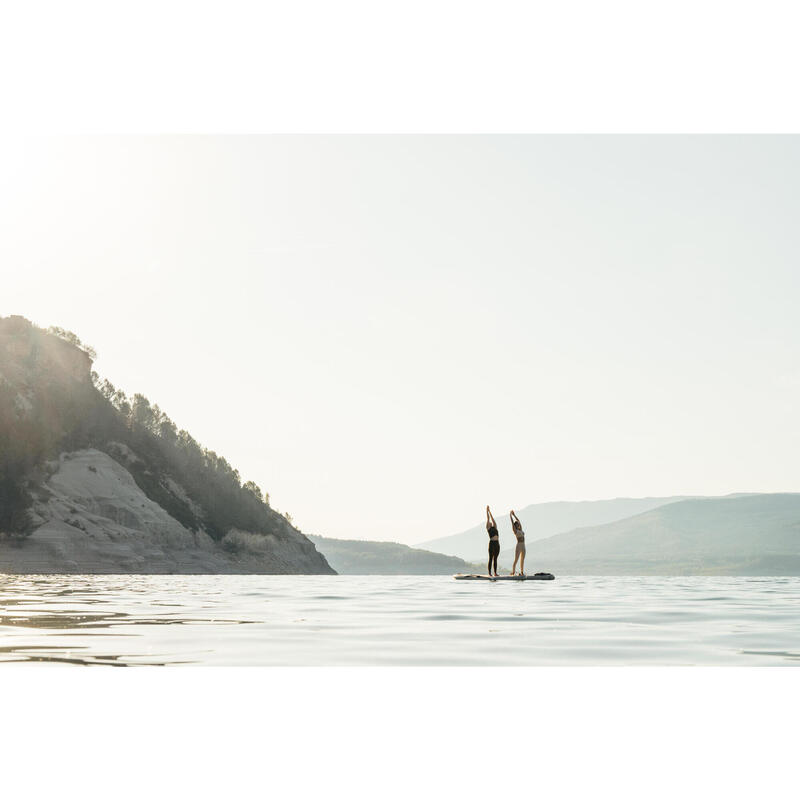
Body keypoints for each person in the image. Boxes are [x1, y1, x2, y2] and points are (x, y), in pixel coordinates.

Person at [509, 509, 526, 576]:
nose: (518, 525)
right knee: (516, 559)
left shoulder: (521, 530)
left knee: (522, 559)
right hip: (519, 545)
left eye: (518, 524)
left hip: (523, 545)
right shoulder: (515, 530)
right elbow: (512, 523)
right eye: (517, 524)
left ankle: (522, 572)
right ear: (515, 526)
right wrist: (510, 516)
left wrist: (514, 515)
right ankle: (513, 571)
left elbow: (519, 521)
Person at [486, 505, 500, 577]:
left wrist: (490, 512)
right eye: (489, 523)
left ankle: (495, 573)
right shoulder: (488, 528)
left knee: (496, 559)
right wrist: (487, 511)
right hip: (492, 543)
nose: (490, 522)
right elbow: (488, 519)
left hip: (497, 543)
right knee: (491, 558)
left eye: (491, 523)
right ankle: (489, 573)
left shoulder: (495, 527)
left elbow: (492, 519)